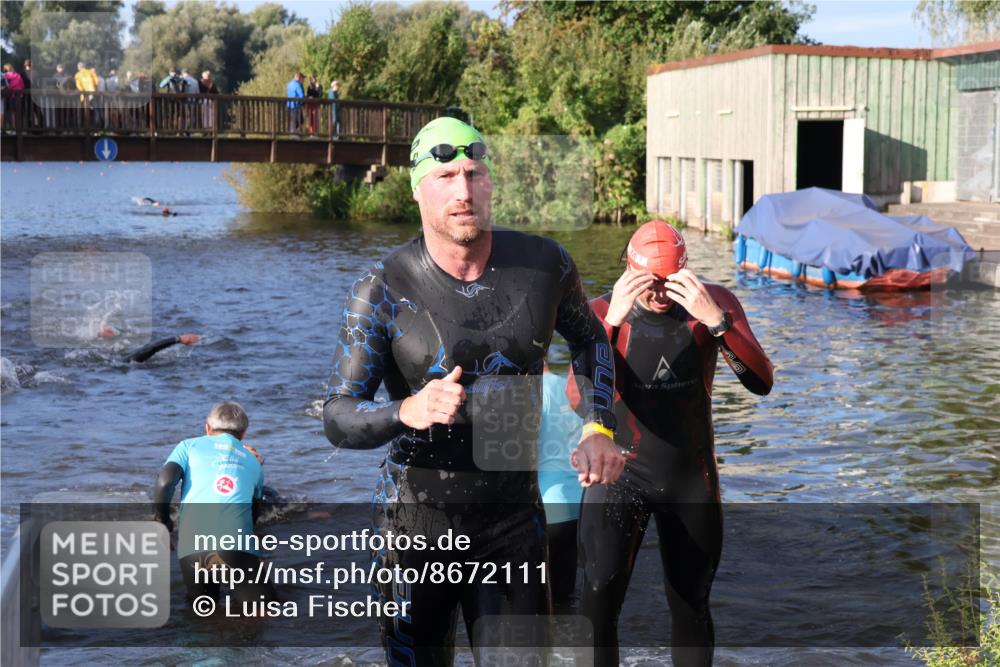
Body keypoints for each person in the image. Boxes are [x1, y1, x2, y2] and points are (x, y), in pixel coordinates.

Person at [323, 116, 624, 665]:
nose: (463, 191)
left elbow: (593, 341)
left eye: (474, 173)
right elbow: (337, 415)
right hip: (414, 527)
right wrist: (406, 410)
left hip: (513, 523)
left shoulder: (544, 265)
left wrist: (598, 425)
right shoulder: (382, 288)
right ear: (417, 189)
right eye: (445, 177)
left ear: (490, 182)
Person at [575, 221, 774, 667]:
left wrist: (718, 323)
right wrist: (609, 324)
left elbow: (762, 383)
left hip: (690, 479)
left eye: (669, 283)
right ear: (629, 272)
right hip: (619, 476)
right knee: (597, 599)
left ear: (686, 272)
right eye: (650, 283)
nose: (660, 295)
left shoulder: (714, 304)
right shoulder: (602, 311)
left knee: (691, 604)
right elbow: (577, 396)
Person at [153, 401, 271, 603]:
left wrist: (163, 521)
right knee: (263, 611)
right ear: (243, 433)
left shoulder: (187, 446)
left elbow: (164, 482)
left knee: (201, 616)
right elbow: (253, 513)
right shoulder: (254, 462)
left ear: (207, 427)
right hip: (236, 547)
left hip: (192, 548)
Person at [538, 361, 585, 605]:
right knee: (564, 596)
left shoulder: (530, 394)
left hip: (545, 508)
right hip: (578, 505)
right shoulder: (571, 390)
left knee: (537, 600)